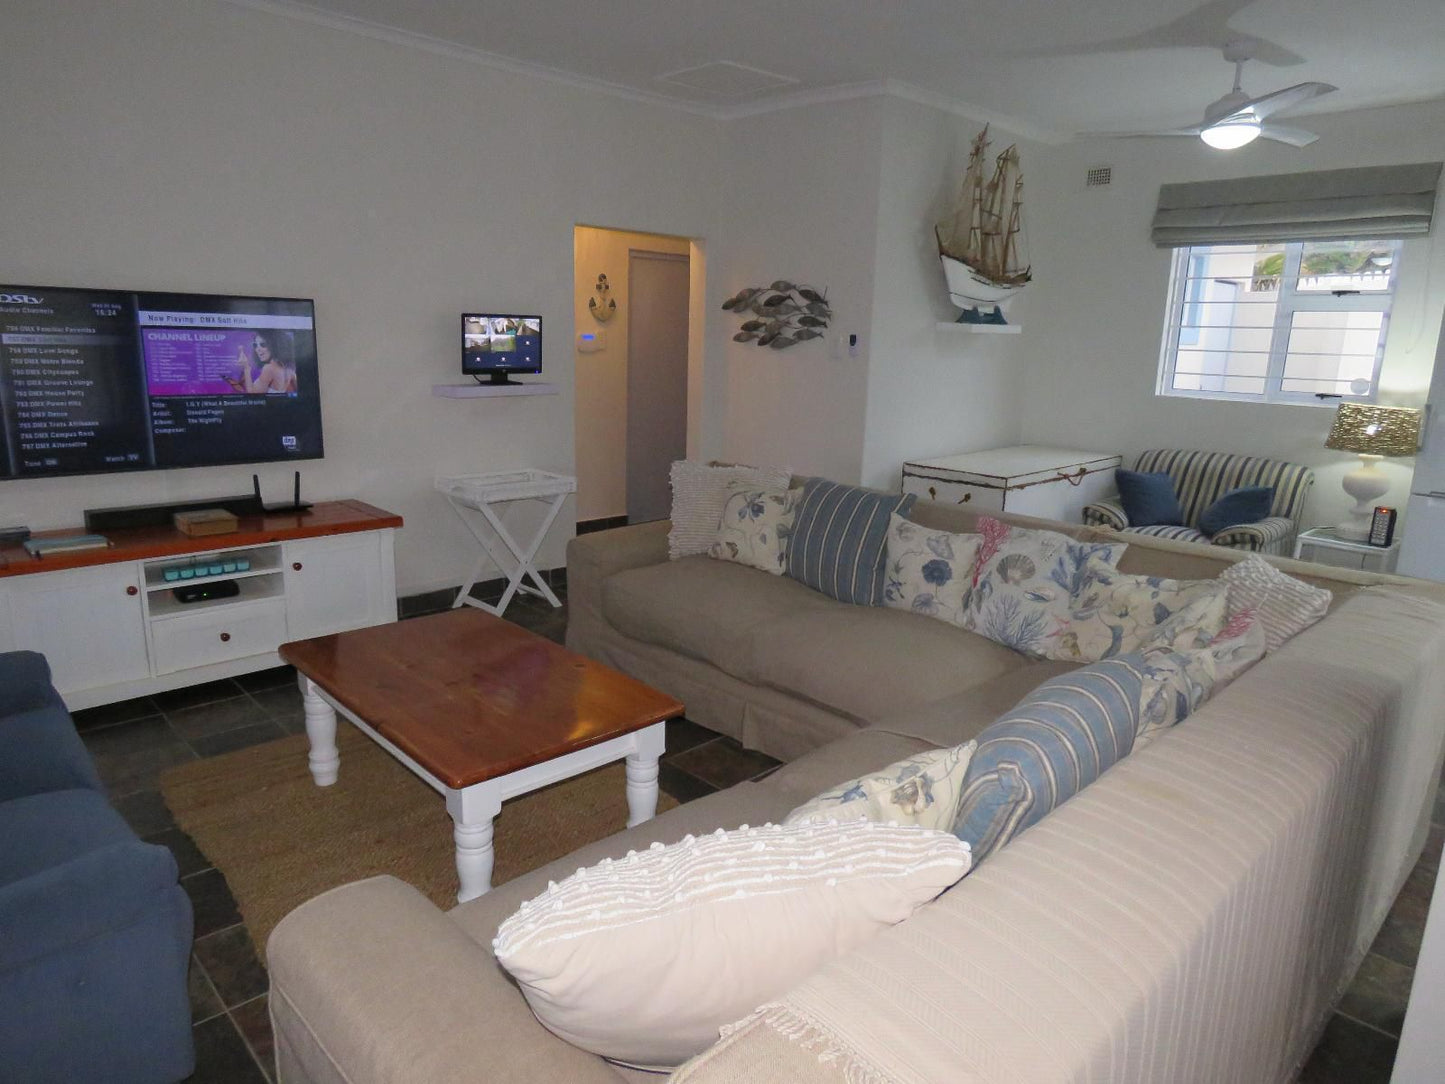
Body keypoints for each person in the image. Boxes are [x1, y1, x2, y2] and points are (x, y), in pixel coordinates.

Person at [227, 330, 297, 394]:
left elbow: (252, 393)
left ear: (275, 345)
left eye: (263, 344)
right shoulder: (289, 368)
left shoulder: (269, 368)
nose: (258, 349)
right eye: (255, 345)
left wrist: (246, 368)